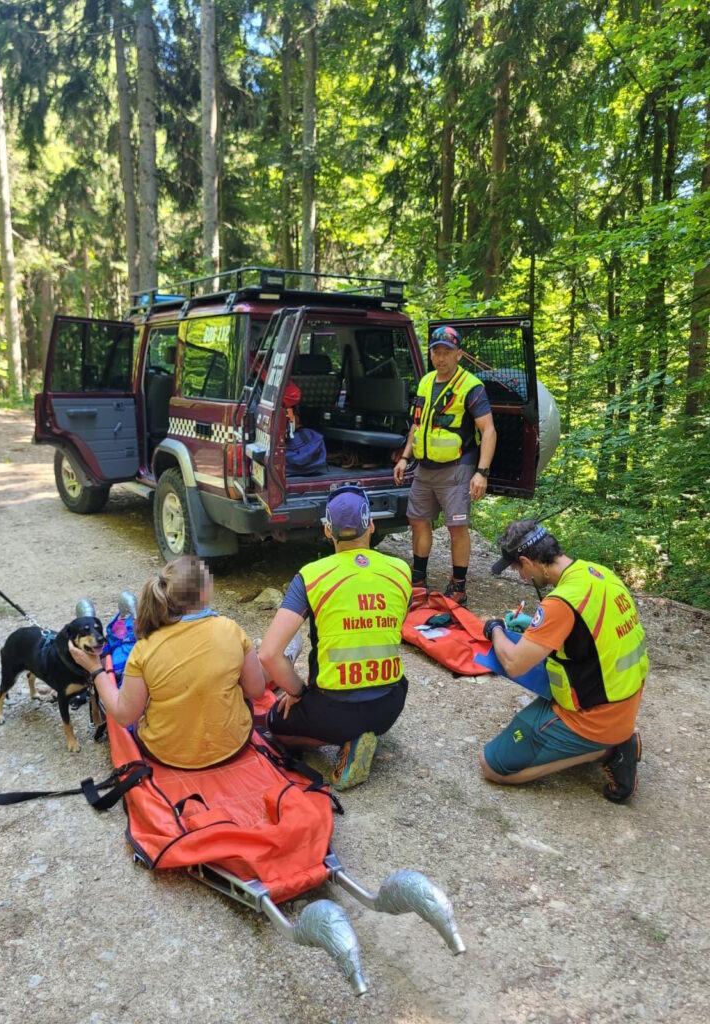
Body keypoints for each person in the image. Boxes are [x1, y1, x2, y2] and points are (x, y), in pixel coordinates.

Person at [481, 519, 649, 803]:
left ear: (527, 561)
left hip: (595, 717)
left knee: (492, 766)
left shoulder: (561, 603)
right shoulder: (598, 573)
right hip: (624, 701)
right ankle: (609, 739)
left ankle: (609, 750)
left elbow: (514, 664)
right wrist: (533, 625)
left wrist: (495, 628)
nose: (521, 576)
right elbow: (590, 631)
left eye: (518, 569)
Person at [258, 485, 412, 791]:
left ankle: (346, 738)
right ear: (371, 525)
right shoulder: (401, 571)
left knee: (276, 723)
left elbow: (269, 654)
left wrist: (298, 692)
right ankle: (363, 733)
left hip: (332, 711)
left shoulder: (311, 575)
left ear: (328, 530)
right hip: (389, 706)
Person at [68, 556, 265, 770]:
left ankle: (118, 622)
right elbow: (256, 689)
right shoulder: (231, 628)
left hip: (167, 753)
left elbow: (125, 716)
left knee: (127, 683)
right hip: (233, 745)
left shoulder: (145, 647)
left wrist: (94, 668)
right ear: (203, 593)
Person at [393, 325, 497, 605]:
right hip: (424, 467)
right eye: (436, 352)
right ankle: (418, 581)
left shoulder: (471, 386)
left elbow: (488, 430)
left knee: (456, 527)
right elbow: (417, 424)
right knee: (418, 521)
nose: (441, 358)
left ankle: (458, 586)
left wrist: (482, 472)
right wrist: (405, 457)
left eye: (447, 352)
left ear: (458, 355)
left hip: (457, 467)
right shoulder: (426, 382)